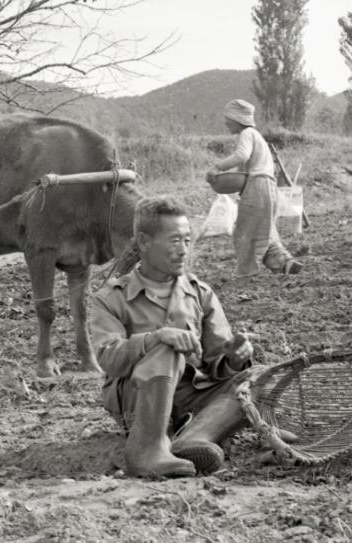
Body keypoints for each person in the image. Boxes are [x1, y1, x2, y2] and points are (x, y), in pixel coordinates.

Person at [90, 196, 255, 478]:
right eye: (175, 241)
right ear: (143, 242)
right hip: (140, 401)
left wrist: (234, 358)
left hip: (193, 396)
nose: (183, 251)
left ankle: (195, 438)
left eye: (188, 240)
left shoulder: (199, 293)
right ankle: (147, 450)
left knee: (257, 378)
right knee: (168, 348)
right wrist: (155, 338)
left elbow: (216, 364)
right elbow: (110, 360)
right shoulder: (110, 299)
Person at [206, 99, 303, 277]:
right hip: (270, 189)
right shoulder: (257, 136)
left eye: (227, 119)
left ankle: (247, 273)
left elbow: (241, 155)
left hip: (257, 188)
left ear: (236, 119)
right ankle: (284, 262)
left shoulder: (247, 133)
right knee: (265, 230)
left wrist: (217, 167)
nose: (226, 123)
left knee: (244, 233)